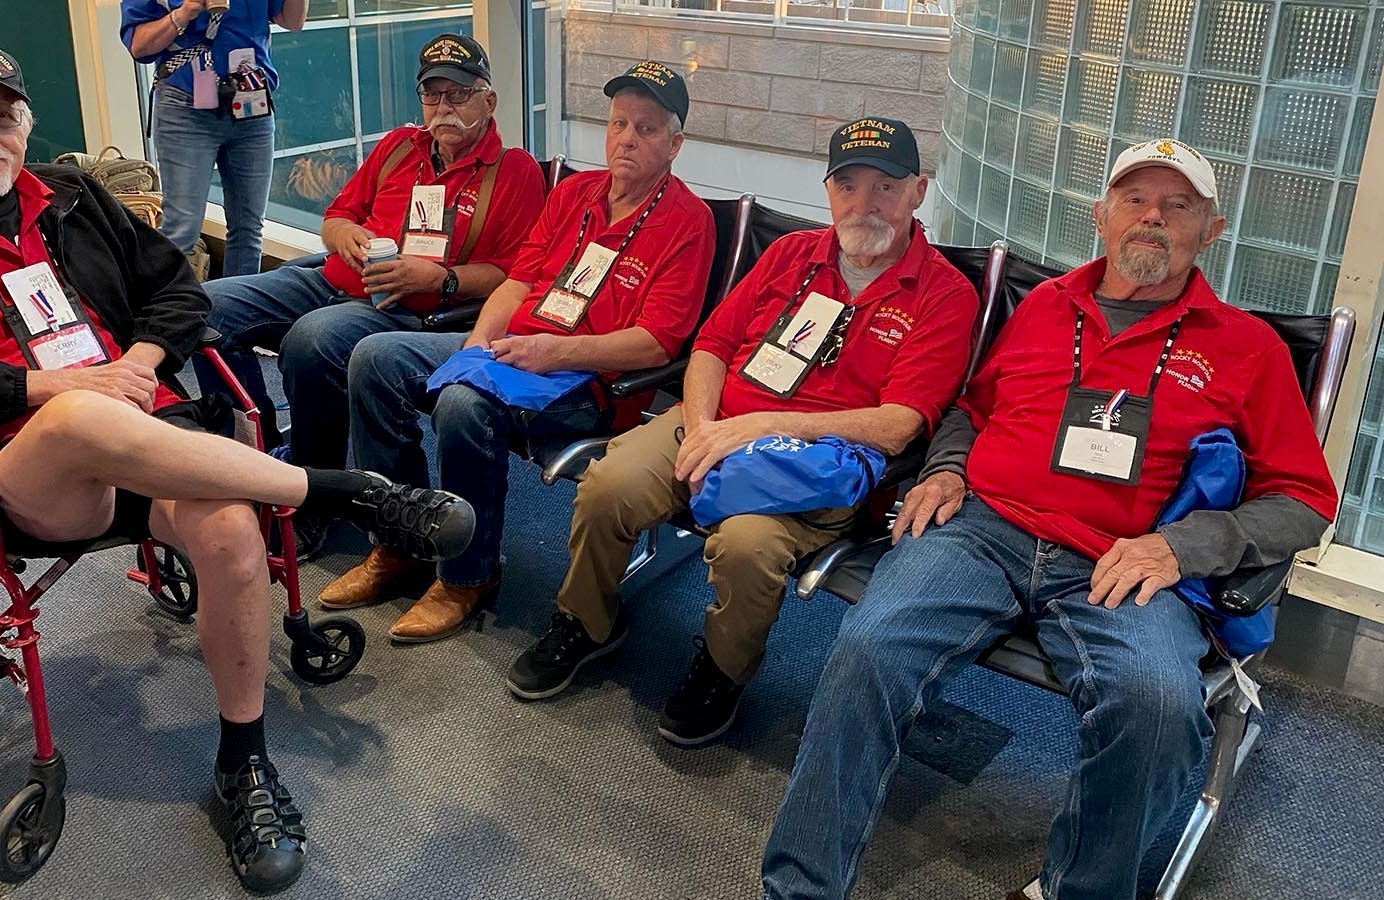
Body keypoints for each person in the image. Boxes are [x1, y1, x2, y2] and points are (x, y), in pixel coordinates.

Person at [0, 40, 473, 895]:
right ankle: (343, 490)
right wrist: (65, 382)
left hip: (148, 432)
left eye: (0, 115)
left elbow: (177, 289)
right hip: (14, 476)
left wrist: (140, 355)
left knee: (234, 526)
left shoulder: (77, 199)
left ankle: (244, 764)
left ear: (25, 125)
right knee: (81, 415)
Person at [760, 139, 1339, 900]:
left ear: (1211, 230)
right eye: (1135, 200)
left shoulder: (1247, 349)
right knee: (870, 645)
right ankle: (800, 888)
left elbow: (1304, 499)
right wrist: (946, 466)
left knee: (1159, 709)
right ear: (1102, 217)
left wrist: (1184, 546)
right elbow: (974, 408)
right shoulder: (1045, 304)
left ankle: (1076, 889)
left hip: (1117, 563)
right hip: (983, 529)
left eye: (1178, 205)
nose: (1153, 218)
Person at [506, 118, 979, 746]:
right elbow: (713, 345)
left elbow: (899, 425)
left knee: (745, 547)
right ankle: (587, 622)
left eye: (885, 188)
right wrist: (703, 428)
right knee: (608, 485)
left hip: (812, 467)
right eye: (847, 185)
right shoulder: (791, 254)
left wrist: (757, 426)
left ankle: (723, 669)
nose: (863, 205)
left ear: (918, 191)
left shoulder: (944, 293)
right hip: (716, 423)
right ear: (829, 190)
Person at [326, 62, 718, 644]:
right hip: (513, 352)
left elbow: (656, 343)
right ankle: (400, 542)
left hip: (587, 383)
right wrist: (477, 345)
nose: (627, 138)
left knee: (462, 404)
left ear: (675, 144)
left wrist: (552, 353)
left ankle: (467, 576)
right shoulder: (574, 194)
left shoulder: (689, 221)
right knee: (376, 359)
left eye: (647, 129)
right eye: (618, 124)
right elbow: (517, 284)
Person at [196, 32, 544, 492]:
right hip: (332, 278)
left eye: (459, 93)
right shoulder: (400, 146)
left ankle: (312, 487)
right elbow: (338, 216)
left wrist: (440, 278)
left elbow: (515, 275)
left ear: (489, 99)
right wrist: (347, 236)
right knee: (202, 304)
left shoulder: (514, 171)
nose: (444, 106)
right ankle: (252, 456)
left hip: (406, 307)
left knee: (313, 339)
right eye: (433, 94)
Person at [120, 0, 305, 275]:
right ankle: (160, 313)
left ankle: (239, 313)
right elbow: (139, 46)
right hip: (185, 107)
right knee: (182, 229)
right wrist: (186, 12)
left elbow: (292, 21)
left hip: (250, 102)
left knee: (249, 229)